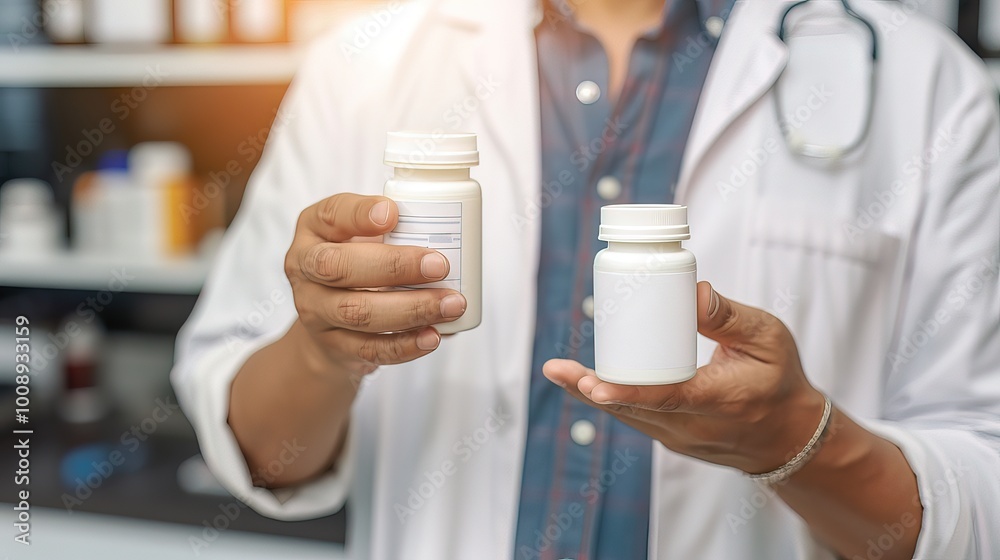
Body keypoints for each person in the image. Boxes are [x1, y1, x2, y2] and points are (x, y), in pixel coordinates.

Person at [171, 0, 1000, 558]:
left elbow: (978, 495)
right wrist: (324, 355)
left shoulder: (928, 88)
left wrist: (794, 444)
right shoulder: (367, 58)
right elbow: (259, 450)